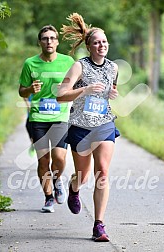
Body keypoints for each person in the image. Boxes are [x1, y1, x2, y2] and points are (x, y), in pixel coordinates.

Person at [57, 13, 120, 241]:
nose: (101, 45)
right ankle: (75, 188)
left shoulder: (113, 68)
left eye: (104, 41)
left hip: (104, 124)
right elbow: (60, 95)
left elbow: (107, 94)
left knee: (102, 171)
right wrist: (83, 90)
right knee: (83, 176)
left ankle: (99, 224)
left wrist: (111, 94)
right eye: (96, 42)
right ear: (89, 46)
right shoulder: (79, 67)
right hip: (81, 127)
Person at [19, 25, 74, 213]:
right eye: (45, 38)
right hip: (38, 118)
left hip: (60, 116)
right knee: (43, 161)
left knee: (59, 158)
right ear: (39, 42)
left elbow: (77, 86)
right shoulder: (30, 63)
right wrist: (29, 90)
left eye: (52, 38)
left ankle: (57, 180)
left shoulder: (68, 62)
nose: (49, 41)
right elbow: (21, 91)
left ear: (57, 42)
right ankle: (48, 197)